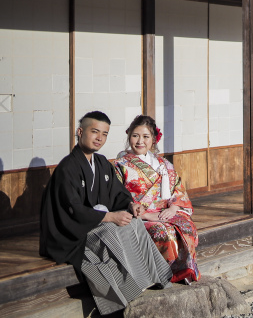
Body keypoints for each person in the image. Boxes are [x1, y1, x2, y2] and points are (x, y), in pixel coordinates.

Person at [40, 111, 172, 315]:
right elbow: (73, 209)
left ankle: (148, 279)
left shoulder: (101, 163)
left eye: (104, 133)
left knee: (134, 223)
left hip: (95, 221)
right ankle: (124, 293)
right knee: (110, 233)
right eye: (94, 132)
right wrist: (110, 217)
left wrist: (130, 205)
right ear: (80, 132)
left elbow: (117, 194)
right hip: (72, 233)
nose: (99, 138)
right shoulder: (68, 168)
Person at [115, 115, 201, 283]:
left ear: (153, 139)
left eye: (145, 137)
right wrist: (145, 214)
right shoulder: (120, 165)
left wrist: (174, 208)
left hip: (166, 211)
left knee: (187, 227)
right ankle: (164, 275)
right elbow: (117, 195)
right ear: (129, 136)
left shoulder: (163, 164)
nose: (140, 141)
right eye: (135, 136)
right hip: (138, 215)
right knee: (162, 232)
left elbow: (178, 189)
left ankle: (184, 271)